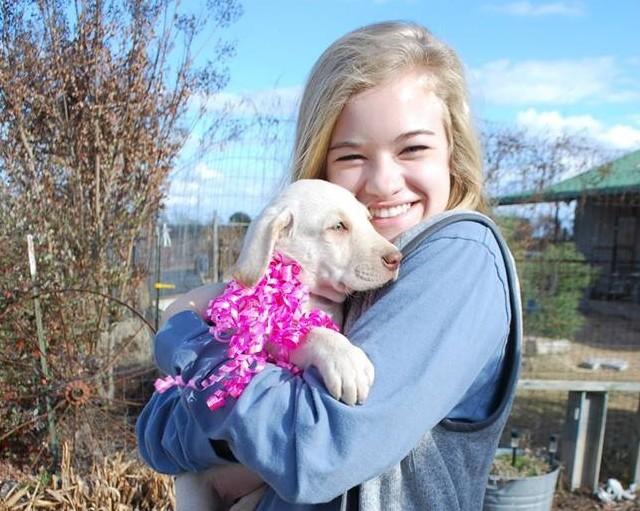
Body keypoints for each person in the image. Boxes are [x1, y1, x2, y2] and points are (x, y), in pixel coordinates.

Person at [136, 20, 521, 511]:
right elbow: (154, 434)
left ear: (454, 154)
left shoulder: (460, 255)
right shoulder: (331, 277)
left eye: (414, 147)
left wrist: (187, 340)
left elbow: (310, 447)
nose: (383, 183)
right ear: (322, 161)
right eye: (352, 154)